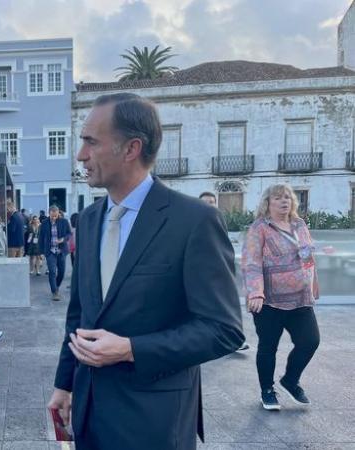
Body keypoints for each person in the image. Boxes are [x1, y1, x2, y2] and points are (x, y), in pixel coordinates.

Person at [47, 93, 244, 450]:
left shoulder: (194, 221)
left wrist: (131, 349)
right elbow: (79, 315)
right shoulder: (89, 221)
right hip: (89, 416)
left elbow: (223, 330)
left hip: (155, 422)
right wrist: (65, 384)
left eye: (91, 142)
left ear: (131, 148)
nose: (81, 155)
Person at [242, 184, 320, 411]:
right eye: (278, 198)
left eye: (287, 197)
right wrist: (256, 292)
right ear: (268, 202)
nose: (284, 201)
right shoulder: (259, 228)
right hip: (269, 301)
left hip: (301, 299)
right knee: (268, 347)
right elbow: (251, 262)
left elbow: (307, 256)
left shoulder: (299, 225)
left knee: (310, 341)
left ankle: (290, 380)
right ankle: (267, 390)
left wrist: (314, 282)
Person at [199, 191, 251, 353]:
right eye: (205, 202)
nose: (209, 205)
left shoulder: (219, 222)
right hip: (200, 277)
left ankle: (233, 341)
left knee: (225, 309)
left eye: (212, 202)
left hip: (219, 276)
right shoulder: (193, 224)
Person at [38, 205, 71, 301]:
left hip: (61, 251)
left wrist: (63, 239)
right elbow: (41, 238)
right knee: (52, 272)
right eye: (52, 216)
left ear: (58, 214)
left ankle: (56, 286)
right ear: (49, 213)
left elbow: (69, 234)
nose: (53, 218)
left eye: (55, 216)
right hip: (50, 251)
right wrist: (40, 252)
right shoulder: (44, 223)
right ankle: (55, 292)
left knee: (61, 272)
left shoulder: (64, 222)